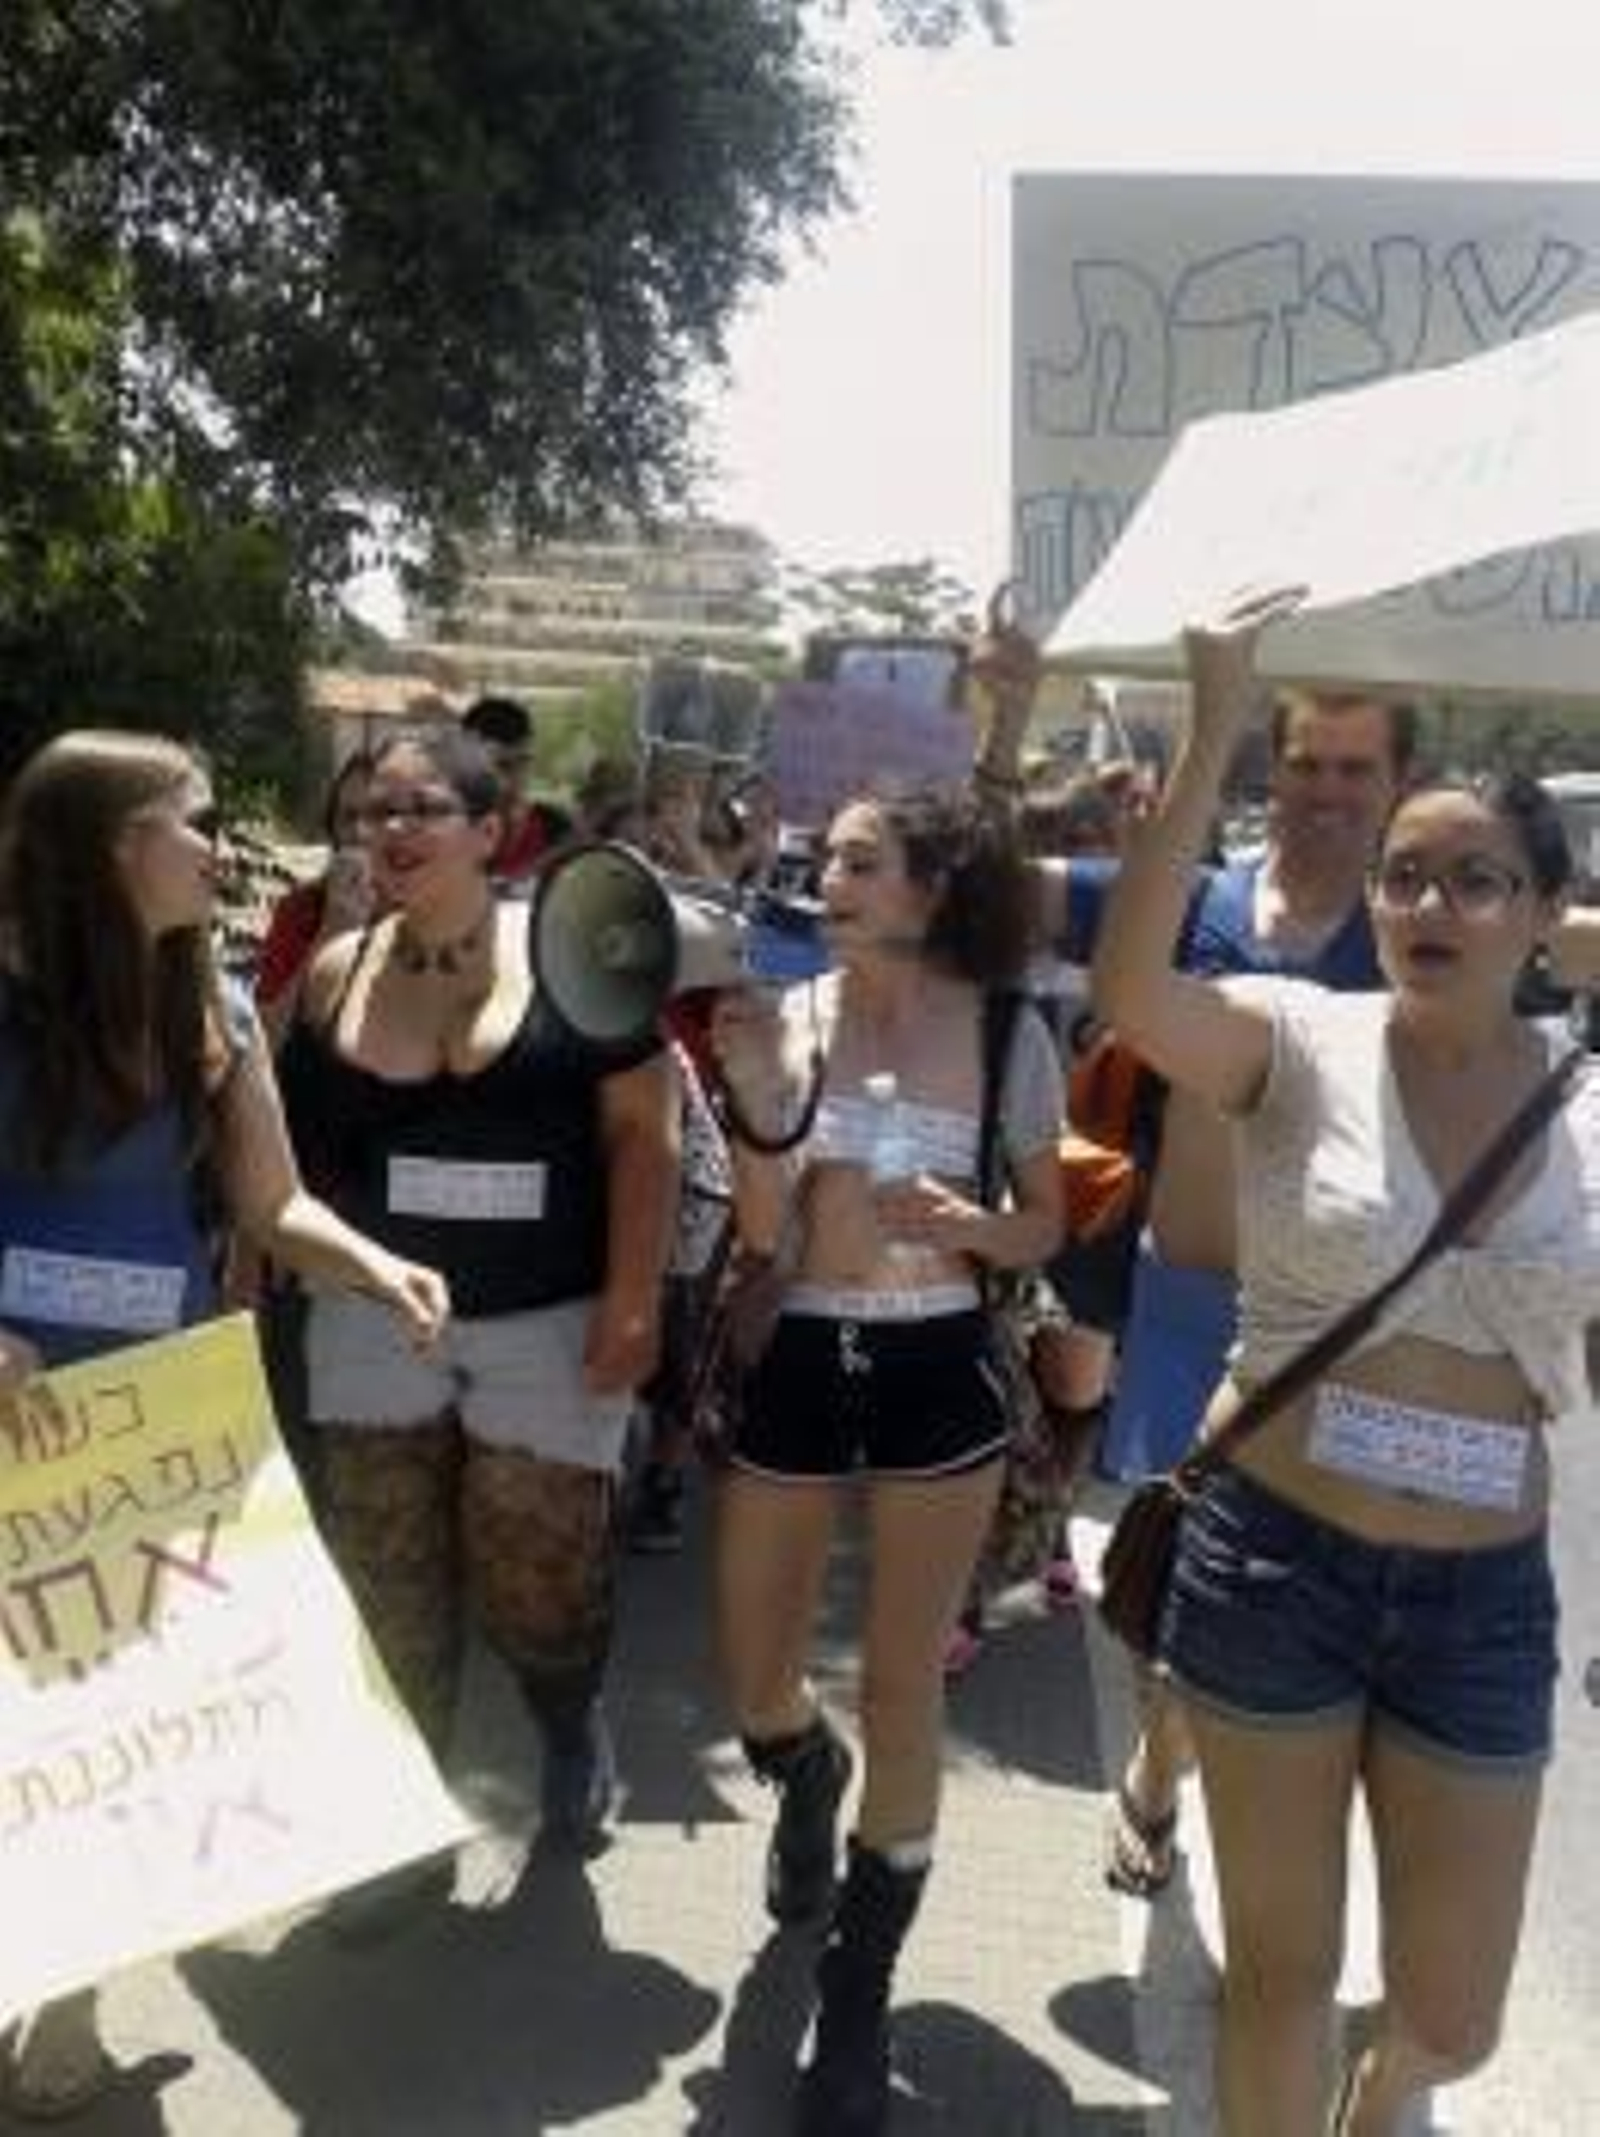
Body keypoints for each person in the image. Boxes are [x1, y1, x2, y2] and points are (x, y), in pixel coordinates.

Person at [1093, 592, 1598, 2137]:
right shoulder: (1294, 1036)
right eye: (1404, 876)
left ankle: (1379, 2111)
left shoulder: (1587, 1110)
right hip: (1276, 1564)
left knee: (1452, 2015)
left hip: (1480, 1604)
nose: (1430, 903)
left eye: (1476, 879)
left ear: (1543, 913)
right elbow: (1129, 998)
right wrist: (1212, 722)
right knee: (1284, 1976)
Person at [0, 731, 448, 2119]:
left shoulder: (221, 1013)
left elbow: (272, 1206)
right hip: (13, 1416)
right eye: (190, 821)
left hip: (151, 1429)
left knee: (115, 1729)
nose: (217, 846)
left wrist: (372, 1263)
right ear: (108, 845)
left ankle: (64, 2008)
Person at [985, 633, 1419, 1898]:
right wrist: (1005, 723)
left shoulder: (1434, 925)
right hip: (1187, 1315)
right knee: (1187, 1583)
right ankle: (1161, 1772)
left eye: (1355, 766)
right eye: (1304, 762)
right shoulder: (1190, 902)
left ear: (1396, 782)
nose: (1327, 790)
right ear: (1267, 771)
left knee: (1329, 1599)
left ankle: (1256, 1829)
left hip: (1355, 1326)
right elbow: (987, 886)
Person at [710, 782, 1062, 2136]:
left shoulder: (1011, 1030)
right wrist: (752, 1105)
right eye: (828, 858)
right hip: (803, 1354)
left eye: (862, 859)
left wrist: (976, 1224)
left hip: (938, 1369)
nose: (830, 876)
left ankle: (857, 1993)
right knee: (754, 1676)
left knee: (904, 1686)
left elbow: (1046, 1229)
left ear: (930, 886)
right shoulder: (789, 1018)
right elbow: (759, 1231)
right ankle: (804, 1775)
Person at [277, 724, 677, 1857]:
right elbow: (293, 1155)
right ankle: (404, 1814)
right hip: (371, 1317)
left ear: (492, 831)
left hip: (547, 1317)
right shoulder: (331, 970)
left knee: (533, 1570)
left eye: (420, 810)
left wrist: (636, 1300)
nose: (390, 831)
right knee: (387, 1569)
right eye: (373, 812)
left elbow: (645, 1140)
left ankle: (566, 1720)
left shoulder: (577, 960)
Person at [254, 750, 380, 1046]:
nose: (360, 832)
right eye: (348, 817)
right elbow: (267, 1043)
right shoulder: (301, 910)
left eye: (379, 814)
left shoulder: (440, 917)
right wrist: (332, 930)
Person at [459, 694, 573, 887]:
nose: (508, 781)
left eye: (521, 763)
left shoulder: (555, 830)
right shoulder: (445, 831)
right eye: (499, 765)